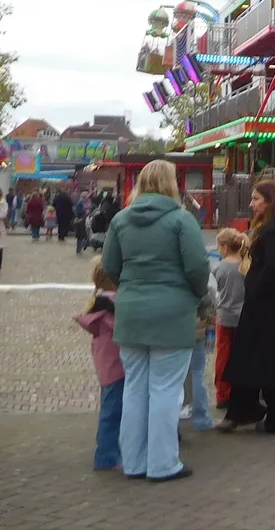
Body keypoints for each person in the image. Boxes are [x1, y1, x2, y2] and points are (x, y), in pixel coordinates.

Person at [101, 159, 210, 481]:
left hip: (131, 312)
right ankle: (162, 463)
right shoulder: (181, 219)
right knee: (166, 389)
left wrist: (131, 287)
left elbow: (110, 266)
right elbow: (197, 267)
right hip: (172, 312)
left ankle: (134, 462)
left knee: (134, 388)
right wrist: (194, 295)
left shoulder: (121, 219)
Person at [219, 181, 275, 435]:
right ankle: (268, 414)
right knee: (266, 362)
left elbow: (274, 266)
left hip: (266, 308)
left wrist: (254, 285)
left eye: (256, 199)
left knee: (253, 358)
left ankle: (249, 411)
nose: (252, 204)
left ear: (270, 201)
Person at [75, 259, 123, 471]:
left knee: (109, 408)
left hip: (106, 364)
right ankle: (107, 456)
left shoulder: (100, 301)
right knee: (113, 412)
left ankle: (107, 451)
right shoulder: (112, 303)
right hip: (117, 365)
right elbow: (123, 327)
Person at [211, 228, 246, 410]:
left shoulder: (218, 267)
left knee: (223, 357)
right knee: (242, 356)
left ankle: (223, 394)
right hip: (244, 318)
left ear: (225, 247)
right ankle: (242, 392)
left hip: (224, 317)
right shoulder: (245, 266)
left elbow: (213, 292)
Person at [182, 271, 218, 432]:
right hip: (198, 331)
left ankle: (183, 407)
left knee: (180, 373)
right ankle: (201, 417)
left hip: (177, 330)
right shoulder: (202, 281)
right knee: (198, 373)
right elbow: (211, 308)